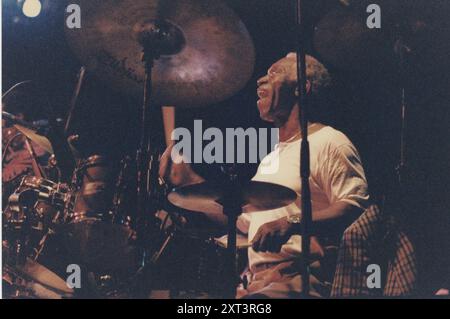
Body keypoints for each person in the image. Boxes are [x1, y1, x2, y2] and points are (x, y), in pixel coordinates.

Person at [160, 53, 370, 298]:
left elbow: (355, 208)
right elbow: (238, 219)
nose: (260, 80)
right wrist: (189, 180)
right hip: (256, 282)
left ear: (301, 88)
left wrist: (290, 224)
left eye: (274, 73)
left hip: (301, 281)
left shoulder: (330, 141)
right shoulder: (272, 158)